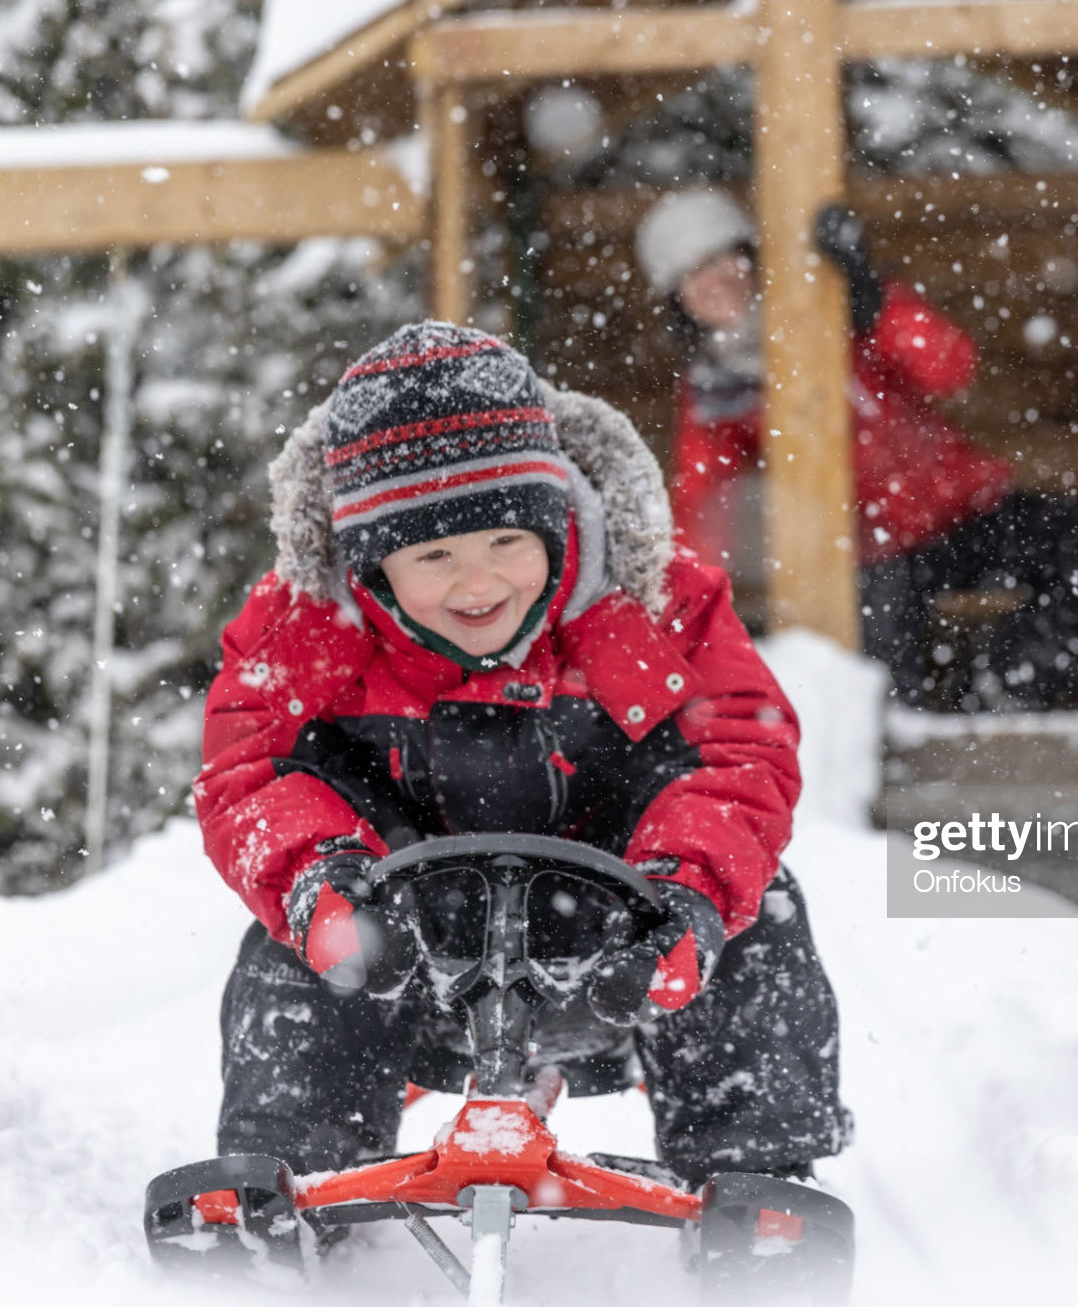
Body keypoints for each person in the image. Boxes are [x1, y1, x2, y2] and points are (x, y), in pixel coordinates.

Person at [194, 321, 848, 1188]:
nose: (479, 584)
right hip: (406, 945)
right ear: (372, 567)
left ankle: (758, 1174)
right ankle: (290, 1175)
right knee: (290, 958)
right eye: (434, 557)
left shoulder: (651, 598)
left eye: (508, 542)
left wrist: (687, 894)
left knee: (759, 917)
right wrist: (323, 887)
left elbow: (740, 749)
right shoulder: (306, 624)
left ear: (555, 520)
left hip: (621, 941)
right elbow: (247, 775)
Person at [634, 187, 1078, 711]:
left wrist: (872, 296)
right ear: (678, 301)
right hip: (869, 555)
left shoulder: (838, 311)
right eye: (692, 274)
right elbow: (702, 498)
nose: (715, 280)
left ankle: (1000, 692)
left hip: (963, 513)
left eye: (720, 257)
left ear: (751, 257)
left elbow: (951, 365)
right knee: (880, 692)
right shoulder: (715, 393)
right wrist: (682, 609)